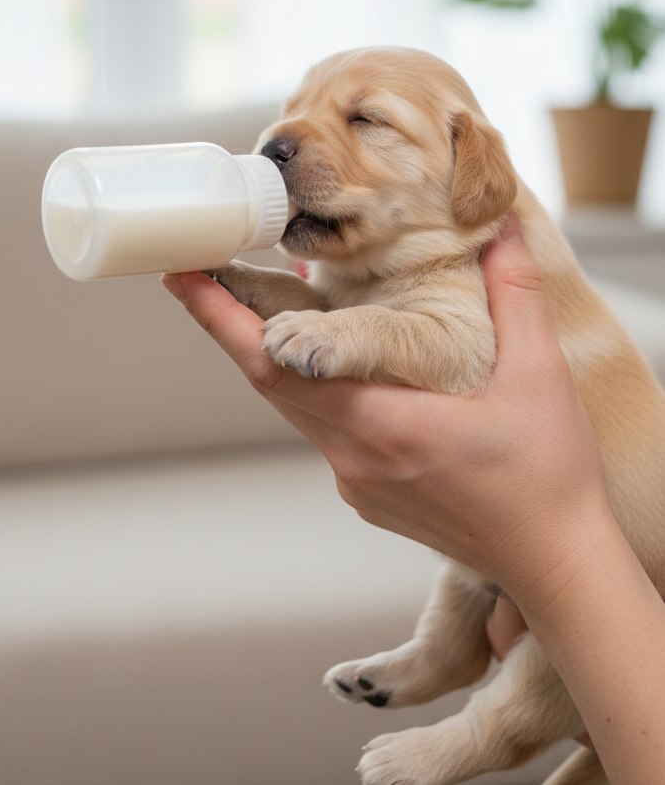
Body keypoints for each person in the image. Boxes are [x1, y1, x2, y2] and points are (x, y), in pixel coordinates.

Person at [162, 213, 665, 785]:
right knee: (471, 575)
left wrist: (547, 552)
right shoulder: (388, 256)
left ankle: (477, 738)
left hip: (639, 581)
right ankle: (443, 654)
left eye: (365, 118)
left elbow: (452, 346)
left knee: (541, 668)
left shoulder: (465, 248)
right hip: (577, 603)